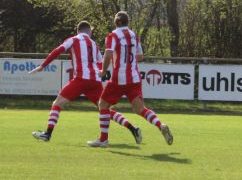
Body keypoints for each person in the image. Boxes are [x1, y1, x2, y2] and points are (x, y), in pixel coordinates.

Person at [30, 21, 141, 143]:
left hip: (81, 79)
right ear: (88, 30)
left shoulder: (74, 39)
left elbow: (58, 50)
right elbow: (100, 63)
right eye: (91, 31)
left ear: (79, 30)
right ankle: (132, 128)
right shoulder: (94, 44)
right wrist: (100, 72)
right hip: (95, 81)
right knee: (104, 109)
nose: (92, 33)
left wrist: (43, 65)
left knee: (57, 103)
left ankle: (47, 134)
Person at [87, 11, 173, 148]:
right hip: (134, 78)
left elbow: (108, 55)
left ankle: (103, 139)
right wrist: (127, 55)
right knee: (140, 109)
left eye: (115, 18)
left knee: (102, 105)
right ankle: (160, 125)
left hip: (119, 78)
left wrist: (103, 71)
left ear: (118, 22)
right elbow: (140, 56)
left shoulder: (112, 36)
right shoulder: (134, 36)